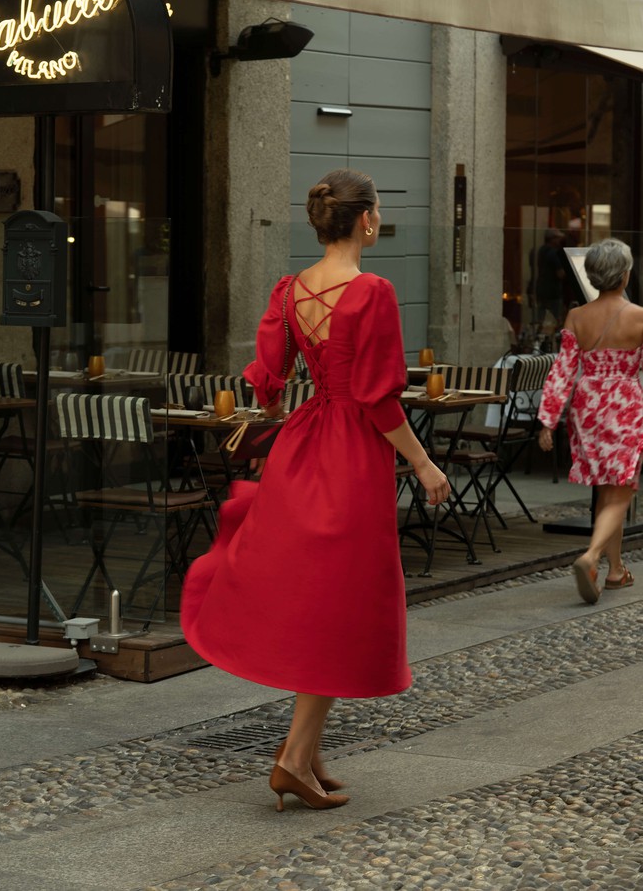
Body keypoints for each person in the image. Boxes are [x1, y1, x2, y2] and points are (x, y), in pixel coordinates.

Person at [180, 168, 450, 812]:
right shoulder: (373, 291)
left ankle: (310, 752)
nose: (379, 218)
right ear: (366, 220)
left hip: (303, 446)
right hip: (351, 456)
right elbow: (379, 400)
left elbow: (269, 380)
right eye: (378, 209)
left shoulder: (290, 290)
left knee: (319, 598)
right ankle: (294, 759)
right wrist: (424, 465)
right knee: (336, 603)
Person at [538, 238, 642, 604]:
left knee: (605, 488)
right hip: (625, 405)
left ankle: (615, 572)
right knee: (623, 490)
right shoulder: (639, 316)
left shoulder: (576, 317)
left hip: (587, 407)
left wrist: (548, 422)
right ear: (625, 273)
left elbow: (562, 372)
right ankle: (591, 556)